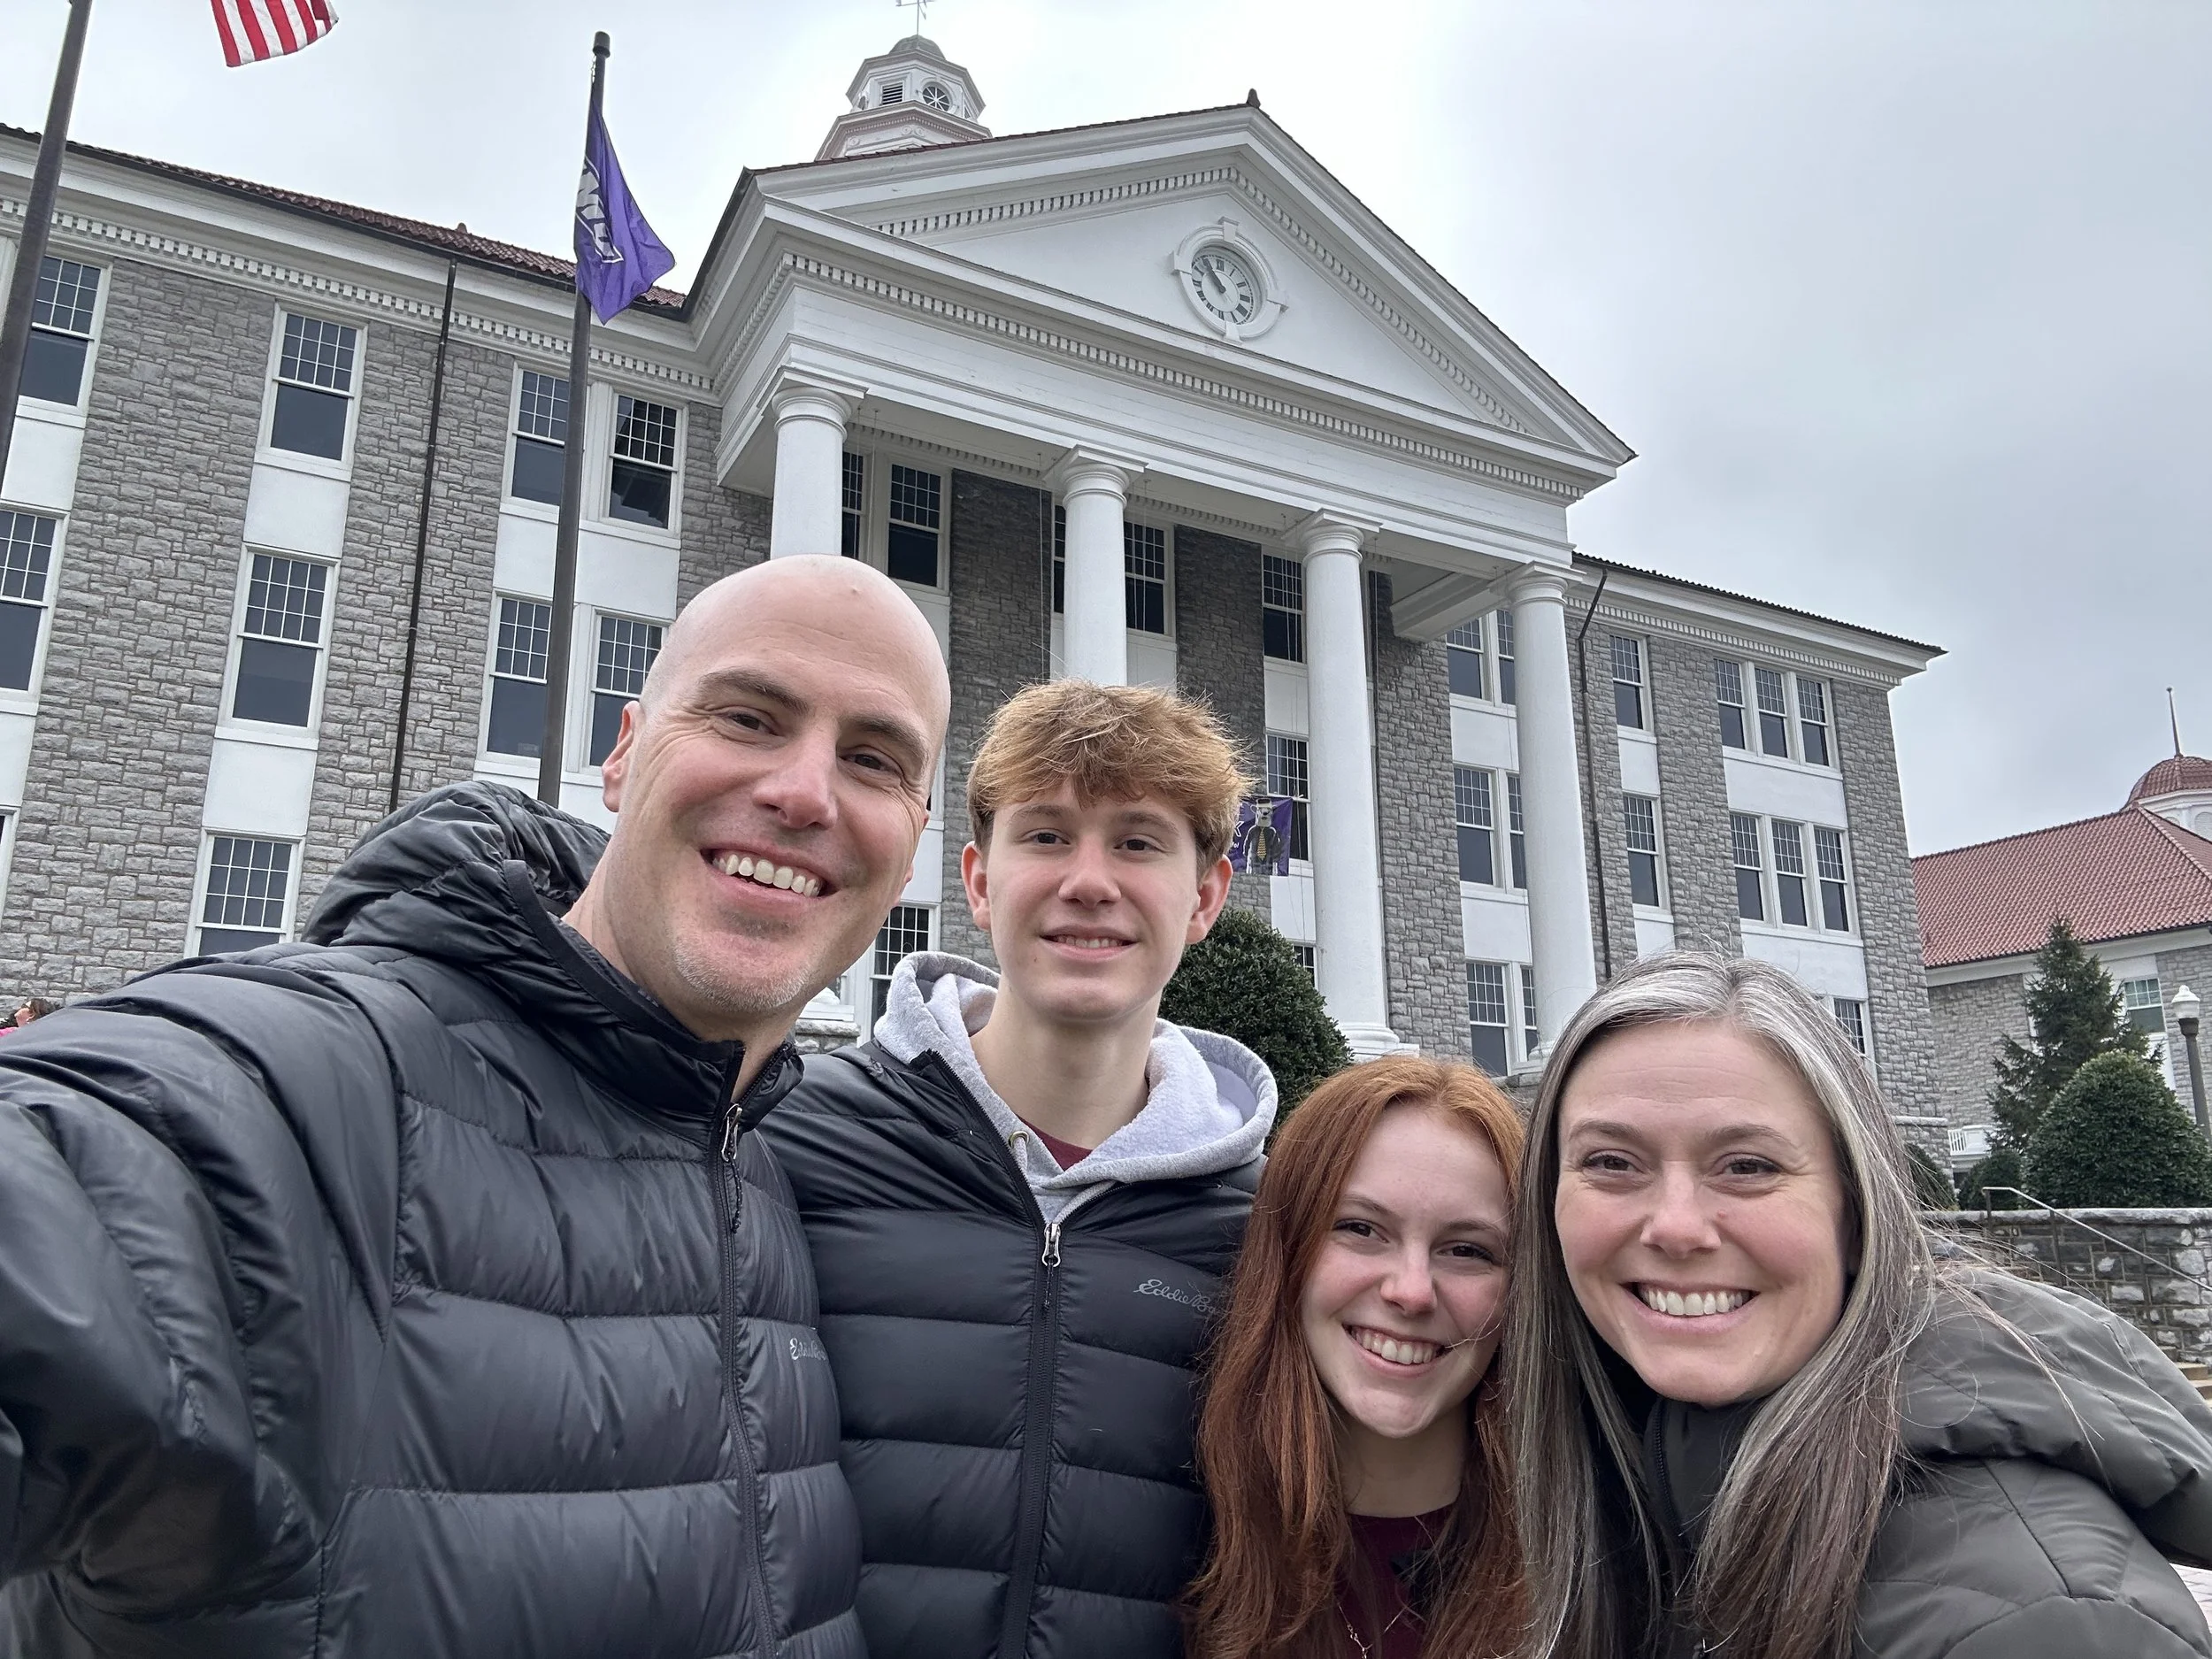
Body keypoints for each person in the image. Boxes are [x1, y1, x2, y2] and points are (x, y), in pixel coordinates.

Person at [0, 556, 950, 1658]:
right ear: (626, 751)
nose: (804, 792)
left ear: (914, 835)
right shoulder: (310, 1090)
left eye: (874, 759)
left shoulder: (764, 1167)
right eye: (747, 717)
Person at [764, 678, 1278, 1658]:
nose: (1089, 880)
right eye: (1045, 836)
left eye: (1137, 841)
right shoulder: (795, 1139)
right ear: (978, 879)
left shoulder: (1263, 1229)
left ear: (1205, 895)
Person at [1509, 950, 2212, 1659]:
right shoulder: (1650, 1487)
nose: (1677, 1226)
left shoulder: (2047, 1622)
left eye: (1748, 1166)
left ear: (1854, 1213)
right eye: (1611, 1162)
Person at [1186, 1056, 1525, 1659]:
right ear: (1286, 1252)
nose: (1411, 1290)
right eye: (1362, 1229)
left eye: (1468, 1249)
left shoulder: (1592, 1572)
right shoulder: (1178, 1543)